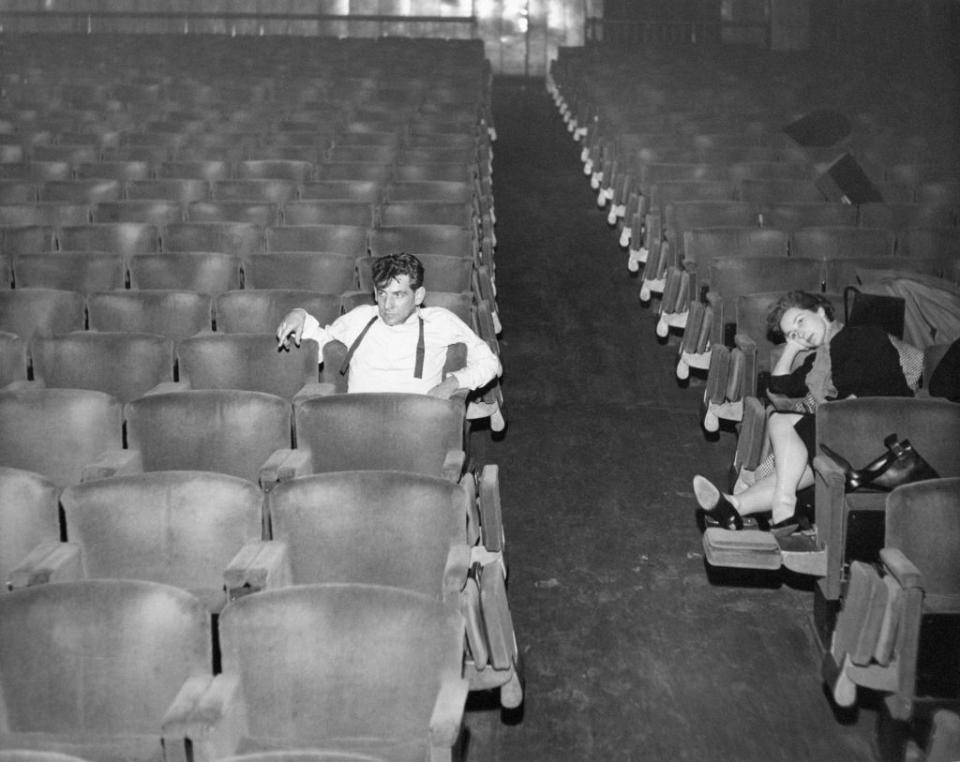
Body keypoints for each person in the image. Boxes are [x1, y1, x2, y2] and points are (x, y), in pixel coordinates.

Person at [692, 290, 915, 536]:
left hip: (882, 428)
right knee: (795, 468)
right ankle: (735, 506)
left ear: (820, 311)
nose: (800, 333)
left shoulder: (862, 336)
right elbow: (779, 384)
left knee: (782, 423)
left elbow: (857, 394)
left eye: (801, 321)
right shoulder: (820, 359)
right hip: (850, 430)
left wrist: (829, 417)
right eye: (792, 333)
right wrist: (793, 346)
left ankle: (781, 508)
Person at [275, 252, 501, 399]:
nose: (387, 305)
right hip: (359, 422)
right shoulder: (360, 319)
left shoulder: (440, 321)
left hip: (415, 424)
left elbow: (491, 363)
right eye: (382, 294)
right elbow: (321, 343)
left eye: (399, 295)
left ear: (419, 295)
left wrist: (452, 382)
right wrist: (300, 314)